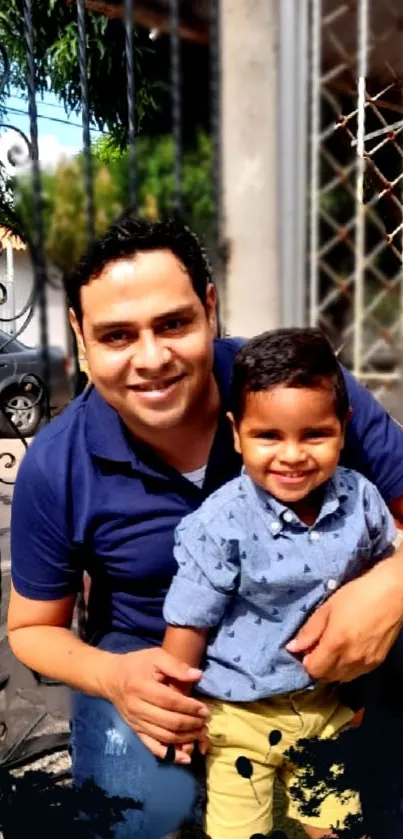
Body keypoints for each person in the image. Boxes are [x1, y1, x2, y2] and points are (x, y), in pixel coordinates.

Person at [7, 212, 403, 839]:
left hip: (326, 658)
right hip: (158, 669)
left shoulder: (295, 392)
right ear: (81, 336)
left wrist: (392, 588)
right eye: (116, 336)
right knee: (139, 811)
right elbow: (31, 629)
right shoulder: (58, 465)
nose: (152, 359)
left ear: (209, 307)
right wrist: (113, 677)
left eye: (173, 324)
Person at [161, 327, 396, 839]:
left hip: (323, 707)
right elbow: (188, 625)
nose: (292, 456)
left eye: (315, 434)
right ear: (237, 433)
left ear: (343, 426)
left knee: (337, 823)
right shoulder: (220, 524)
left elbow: (387, 580)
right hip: (238, 718)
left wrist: (365, 697)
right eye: (269, 436)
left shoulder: (362, 501)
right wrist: (178, 714)